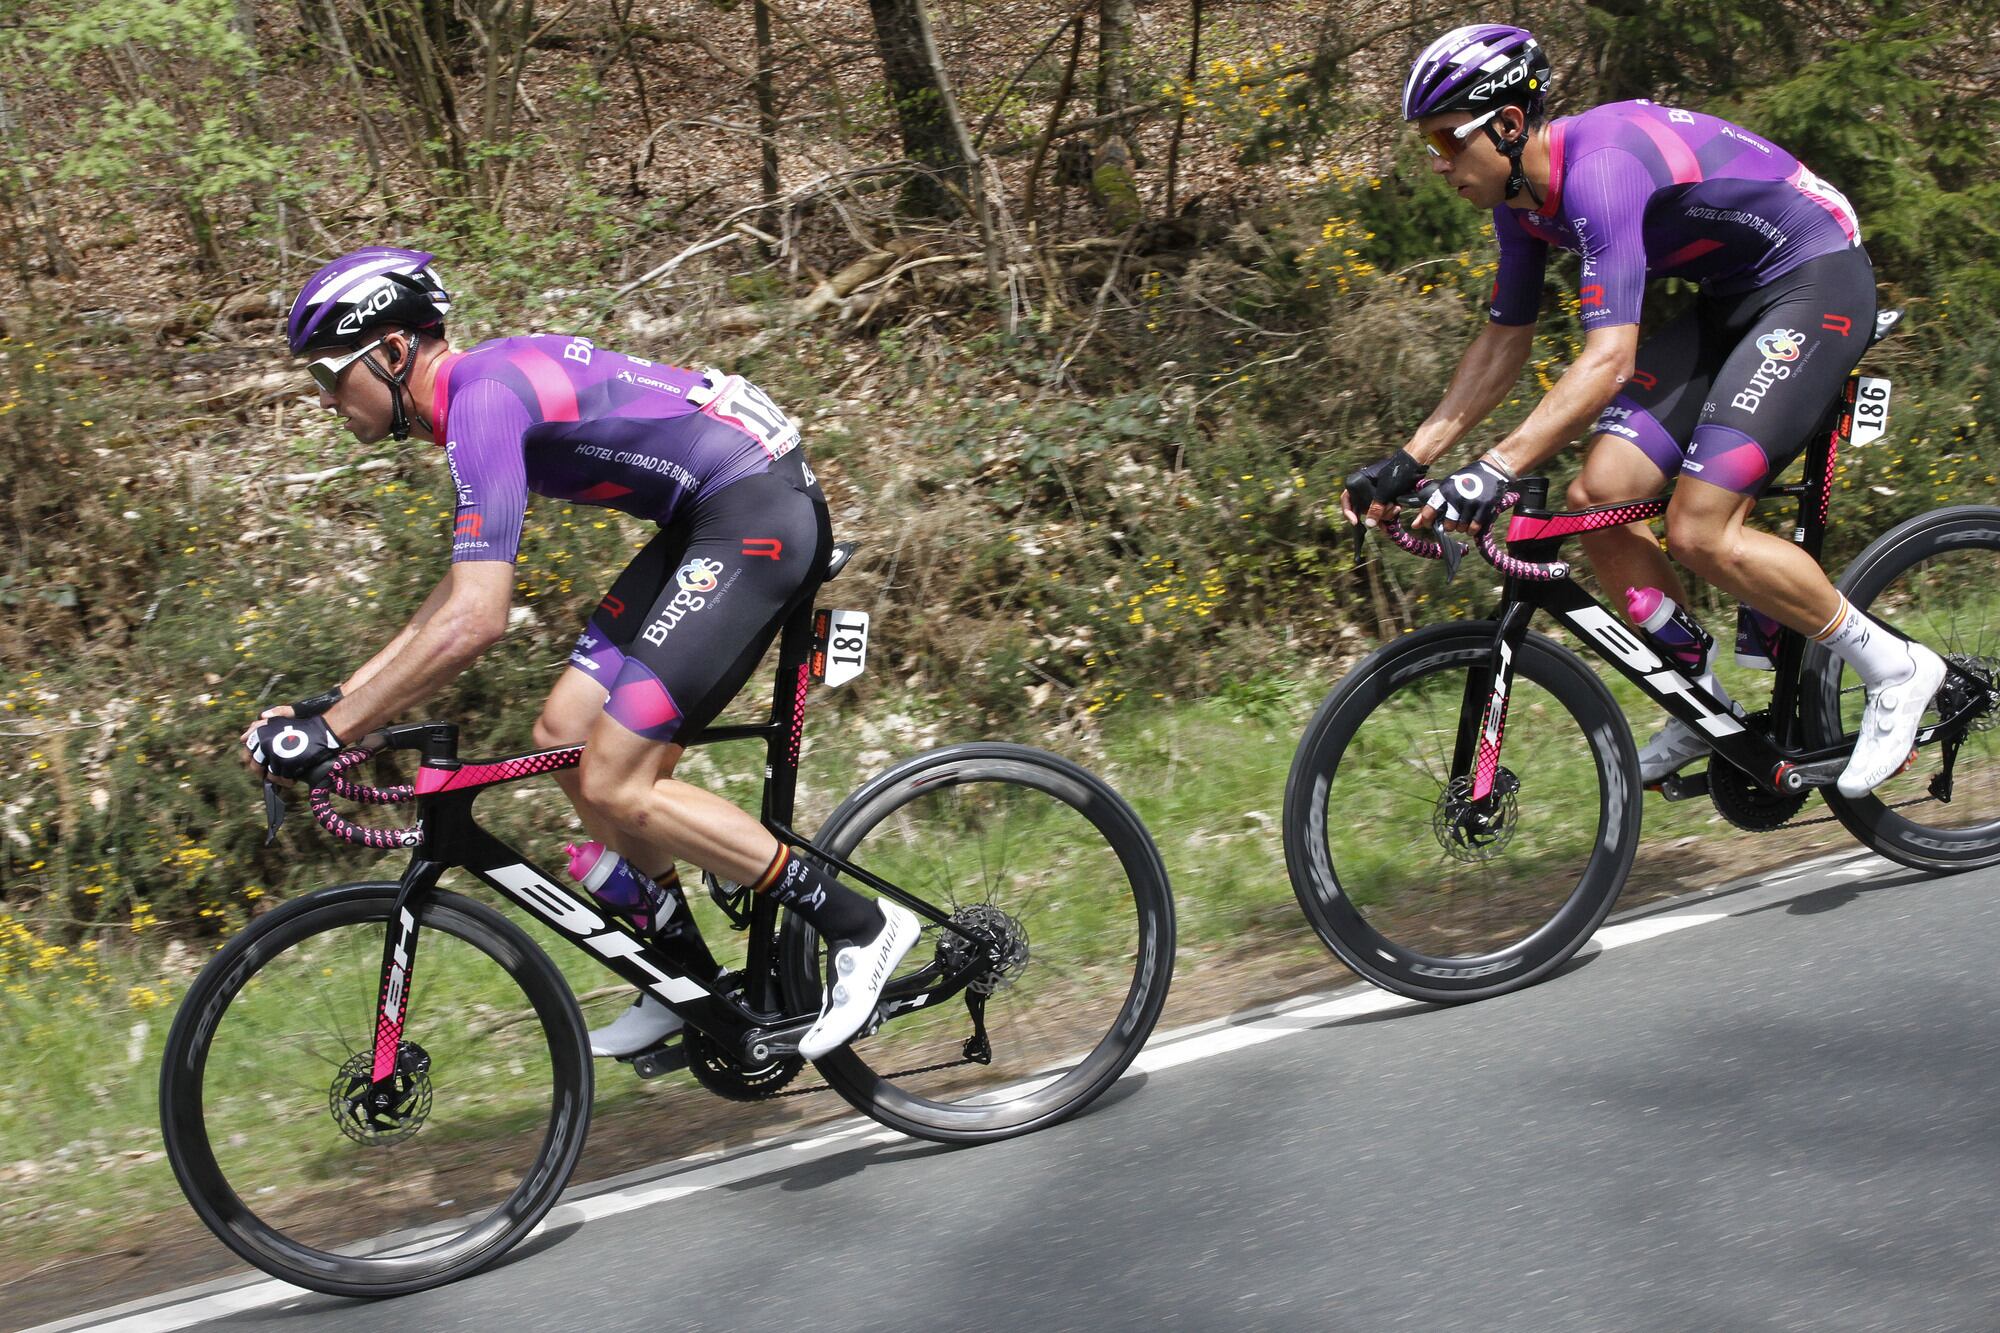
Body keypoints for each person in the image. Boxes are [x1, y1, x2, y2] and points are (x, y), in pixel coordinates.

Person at [242, 246, 916, 1061]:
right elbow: (459, 594)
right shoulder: (471, 401)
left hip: (754, 510)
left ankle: (862, 923)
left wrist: (341, 731)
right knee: (563, 728)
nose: (323, 398)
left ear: (390, 353)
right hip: (711, 513)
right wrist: (335, 702)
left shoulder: (481, 401)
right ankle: (681, 975)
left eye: (326, 375)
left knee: (615, 777)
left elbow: (478, 621)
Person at [1342, 24, 1944, 798]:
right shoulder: (1520, 204)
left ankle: (1897, 667)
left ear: (1508, 124)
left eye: (1445, 141)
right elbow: (1503, 342)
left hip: (1816, 275)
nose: (1438, 164)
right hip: (1734, 297)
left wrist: (1493, 469)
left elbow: (1609, 360)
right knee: (1600, 494)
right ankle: (1700, 699)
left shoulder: (1602, 169)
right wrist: (1413, 460)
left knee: (1701, 528)